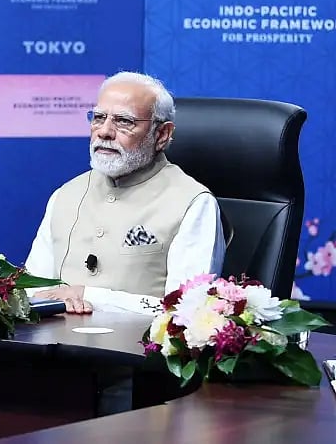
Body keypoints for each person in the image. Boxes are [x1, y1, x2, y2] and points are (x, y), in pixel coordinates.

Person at [24, 71, 225, 314]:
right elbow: (32, 291)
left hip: (135, 350)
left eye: (124, 121)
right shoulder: (65, 195)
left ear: (162, 134)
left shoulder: (193, 203)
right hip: (55, 346)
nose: (105, 131)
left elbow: (188, 310)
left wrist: (90, 296)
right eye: (98, 117)